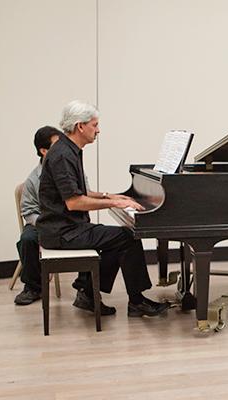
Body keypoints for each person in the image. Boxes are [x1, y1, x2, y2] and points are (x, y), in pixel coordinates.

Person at [37, 100, 168, 317]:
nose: (98, 130)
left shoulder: (68, 148)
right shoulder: (62, 154)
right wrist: (116, 203)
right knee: (127, 237)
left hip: (68, 227)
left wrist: (110, 195)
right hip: (62, 233)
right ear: (80, 126)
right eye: (95, 125)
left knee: (116, 239)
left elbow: (80, 191)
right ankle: (136, 302)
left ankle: (88, 294)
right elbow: (74, 202)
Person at [14, 126, 61, 305]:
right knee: (27, 239)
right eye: (56, 146)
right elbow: (28, 211)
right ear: (43, 151)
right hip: (41, 223)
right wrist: (45, 223)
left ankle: (85, 289)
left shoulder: (70, 168)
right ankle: (33, 288)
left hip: (67, 222)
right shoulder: (33, 179)